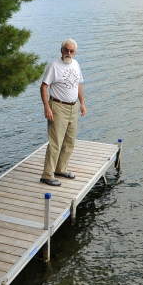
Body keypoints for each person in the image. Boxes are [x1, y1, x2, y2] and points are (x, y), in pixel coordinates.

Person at [39, 38, 86, 186]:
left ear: (75, 52)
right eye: (66, 50)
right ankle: (47, 174)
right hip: (58, 107)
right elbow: (44, 87)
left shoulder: (76, 64)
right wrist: (47, 107)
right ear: (61, 50)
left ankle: (61, 168)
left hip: (73, 107)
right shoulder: (54, 66)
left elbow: (78, 84)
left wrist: (82, 103)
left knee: (69, 141)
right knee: (55, 142)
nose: (69, 53)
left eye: (71, 51)